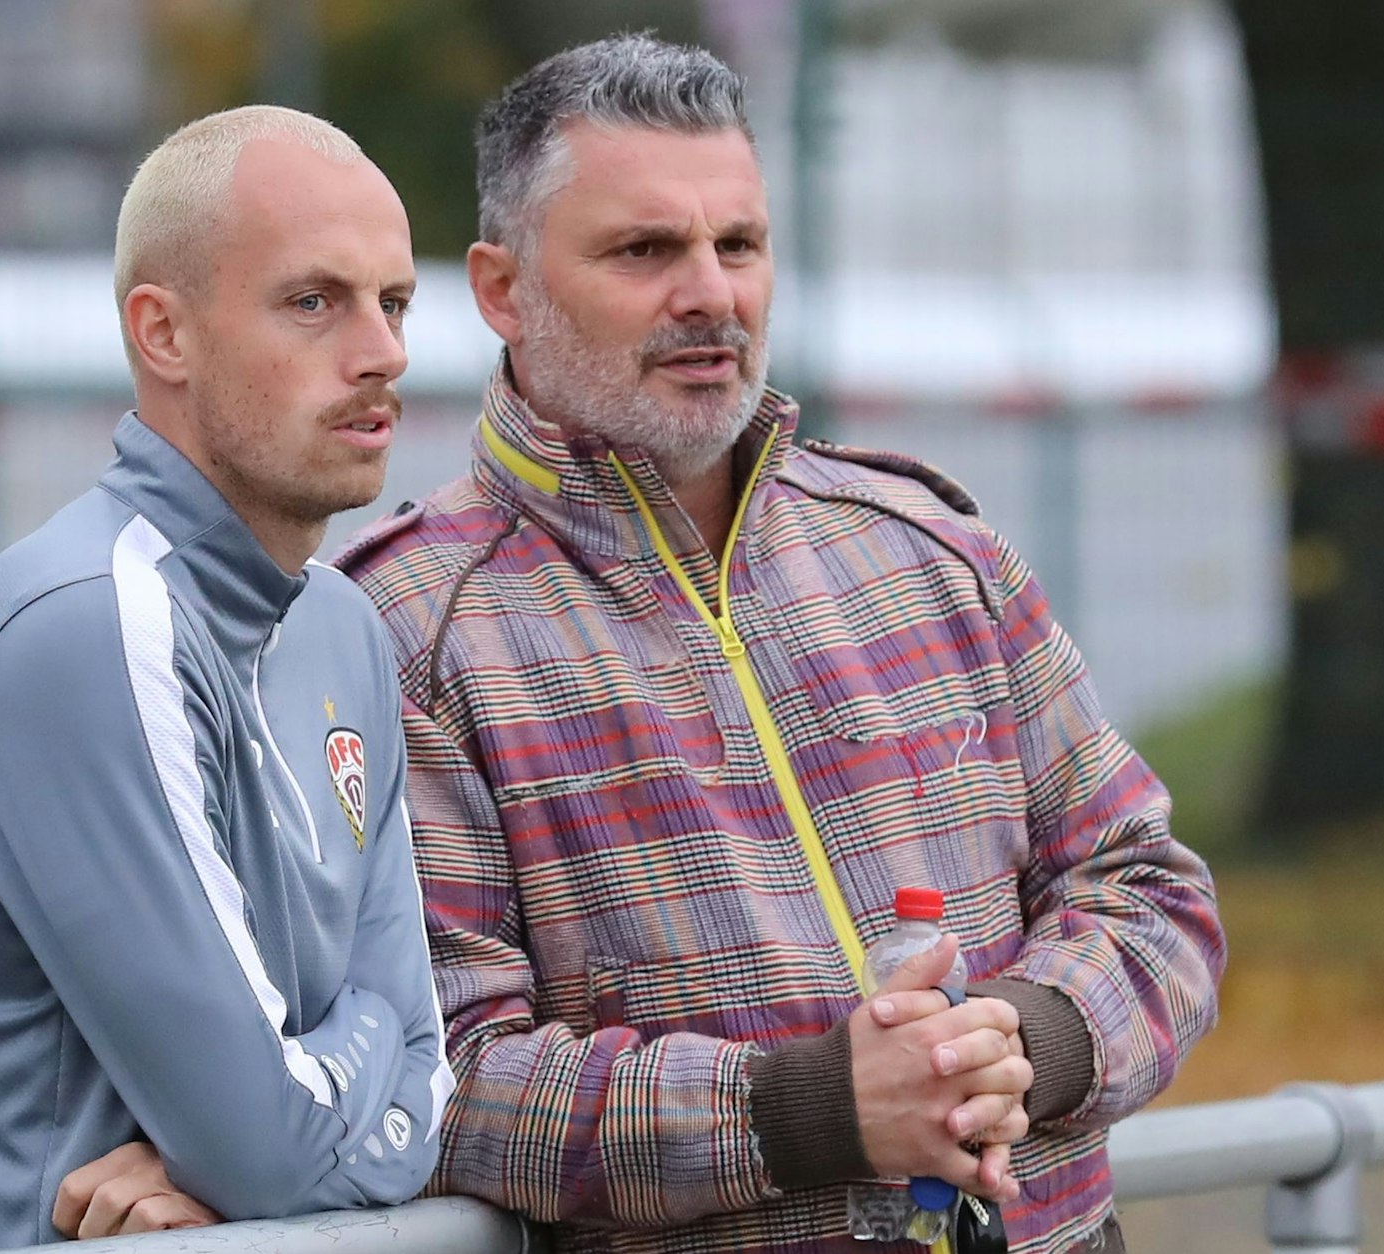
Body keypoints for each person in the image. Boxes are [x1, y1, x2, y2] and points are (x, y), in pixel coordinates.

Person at [329, 36, 1225, 1254]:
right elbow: (433, 1084)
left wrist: (1024, 1042)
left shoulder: (927, 547)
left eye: (736, 244)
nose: (711, 292)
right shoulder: (400, 631)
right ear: (501, 288)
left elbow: (1149, 889)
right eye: (645, 250)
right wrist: (809, 1110)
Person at [0, 106, 453, 1254]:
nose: (381, 351)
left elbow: (435, 1085)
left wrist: (277, 1145)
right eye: (313, 301)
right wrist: (353, 1059)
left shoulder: (344, 626)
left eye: (391, 303)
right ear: (164, 333)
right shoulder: (88, 625)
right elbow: (281, 1138)